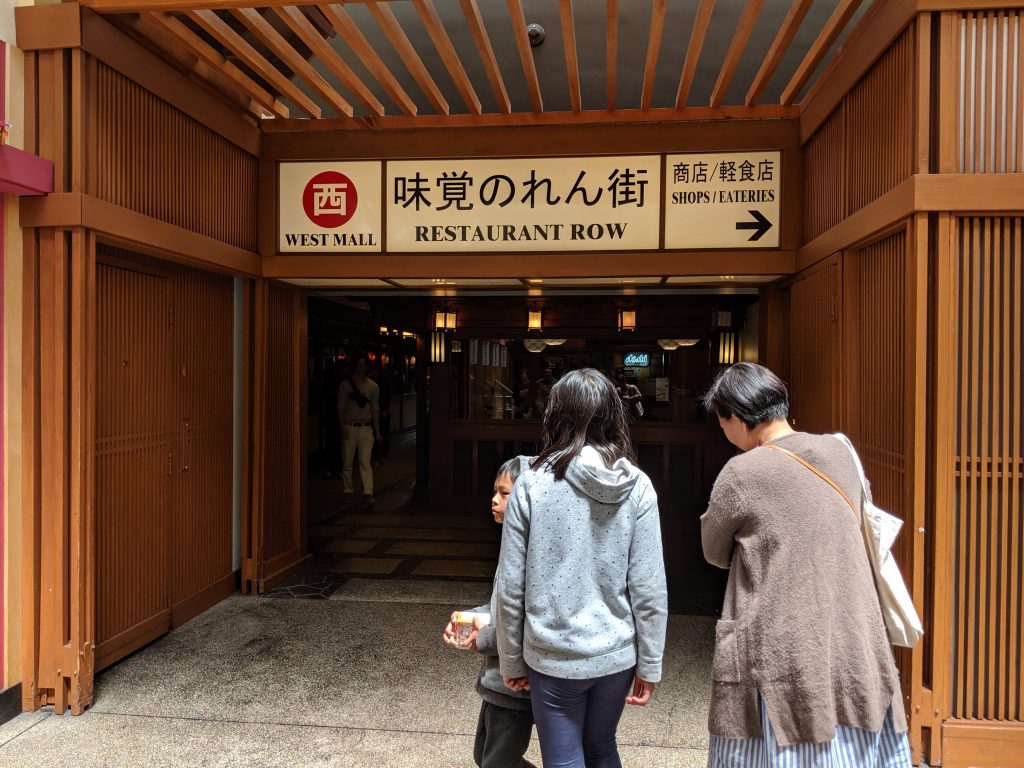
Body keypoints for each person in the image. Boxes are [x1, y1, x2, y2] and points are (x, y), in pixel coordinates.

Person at [700, 362, 911, 767]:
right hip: (850, 626)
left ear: (737, 418)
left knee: (777, 741)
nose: (724, 432)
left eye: (721, 421)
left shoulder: (741, 472)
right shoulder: (840, 450)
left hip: (782, 638)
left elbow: (715, 551)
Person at [494, 368, 668, 768]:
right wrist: (650, 662)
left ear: (555, 414)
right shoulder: (637, 485)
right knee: (602, 747)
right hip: (616, 654)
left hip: (551, 655)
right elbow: (649, 585)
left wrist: (511, 659)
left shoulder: (532, 483)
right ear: (613, 416)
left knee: (563, 758)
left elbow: (510, 585)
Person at [443, 457, 536, 768]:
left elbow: (521, 626)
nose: (494, 500)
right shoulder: (512, 545)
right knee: (485, 755)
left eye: (505, 493)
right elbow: (500, 610)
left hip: (515, 685)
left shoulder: (529, 553)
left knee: (496, 761)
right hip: (498, 680)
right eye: (495, 491)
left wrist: (479, 640)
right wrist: (467, 619)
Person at [337, 355, 382, 504]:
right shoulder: (345, 385)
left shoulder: (373, 386)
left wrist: (377, 432)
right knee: (348, 461)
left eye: (364, 365)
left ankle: (368, 492)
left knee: (365, 461)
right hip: (350, 426)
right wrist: (342, 426)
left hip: (365, 427)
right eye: (359, 365)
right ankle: (348, 490)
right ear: (355, 366)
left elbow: (375, 410)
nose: (362, 368)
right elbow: (340, 408)